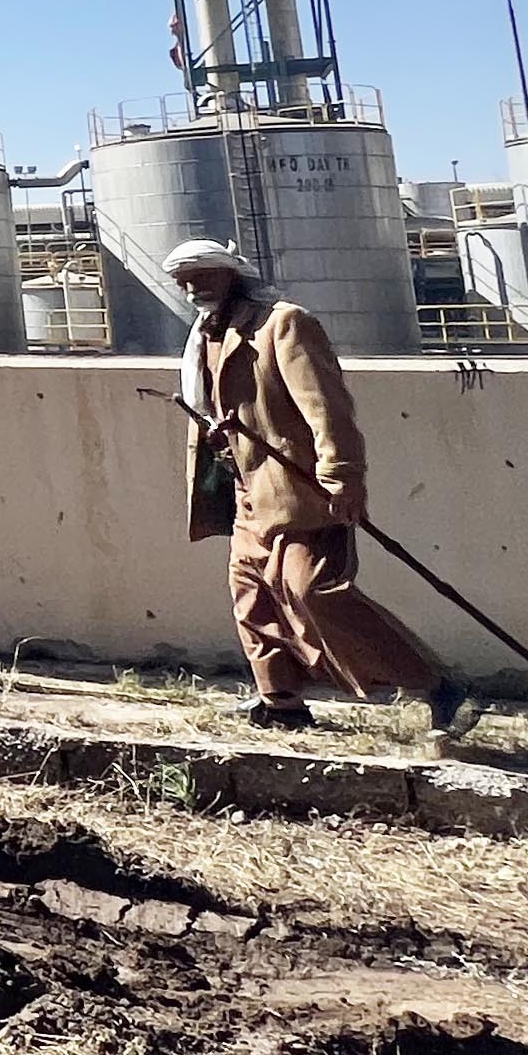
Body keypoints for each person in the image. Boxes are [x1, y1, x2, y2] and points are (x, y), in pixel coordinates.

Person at [165, 237, 470, 738]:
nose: (191, 288)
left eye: (200, 276)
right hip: (245, 489)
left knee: (314, 591)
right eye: (183, 281)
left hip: (299, 490)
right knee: (252, 597)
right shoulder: (204, 335)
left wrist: (343, 476)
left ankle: (437, 687)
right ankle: (280, 701)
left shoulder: (284, 324)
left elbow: (326, 409)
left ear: (231, 274)